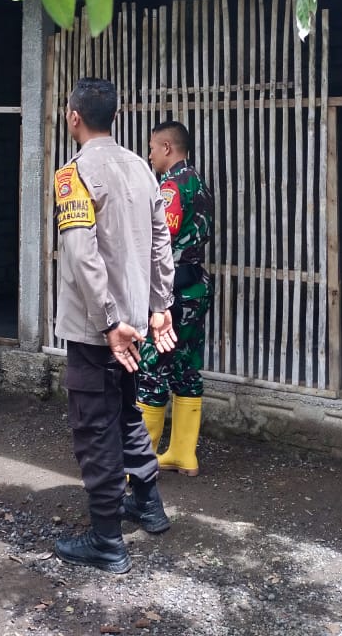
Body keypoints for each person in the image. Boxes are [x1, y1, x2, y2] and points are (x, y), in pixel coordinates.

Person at [52, 78, 178, 575]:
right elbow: (160, 244)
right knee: (126, 410)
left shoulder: (73, 174)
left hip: (97, 329)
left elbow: (83, 256)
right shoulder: (142, 170)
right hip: (135, 323)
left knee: (95, 426)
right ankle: (147, 505)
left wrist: (107, 323)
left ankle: (106, 540)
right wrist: (159, 305)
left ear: (74, 117)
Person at [136, 121, 215, 477]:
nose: (149, 153)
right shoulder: (198, 181)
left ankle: (138, 462)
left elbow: (160, 241)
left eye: (152, 147)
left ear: (167, 148)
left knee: (151, 367)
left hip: (175, 293)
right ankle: (183, 454)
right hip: (195, 286)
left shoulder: (172, 186)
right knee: (185, 367)